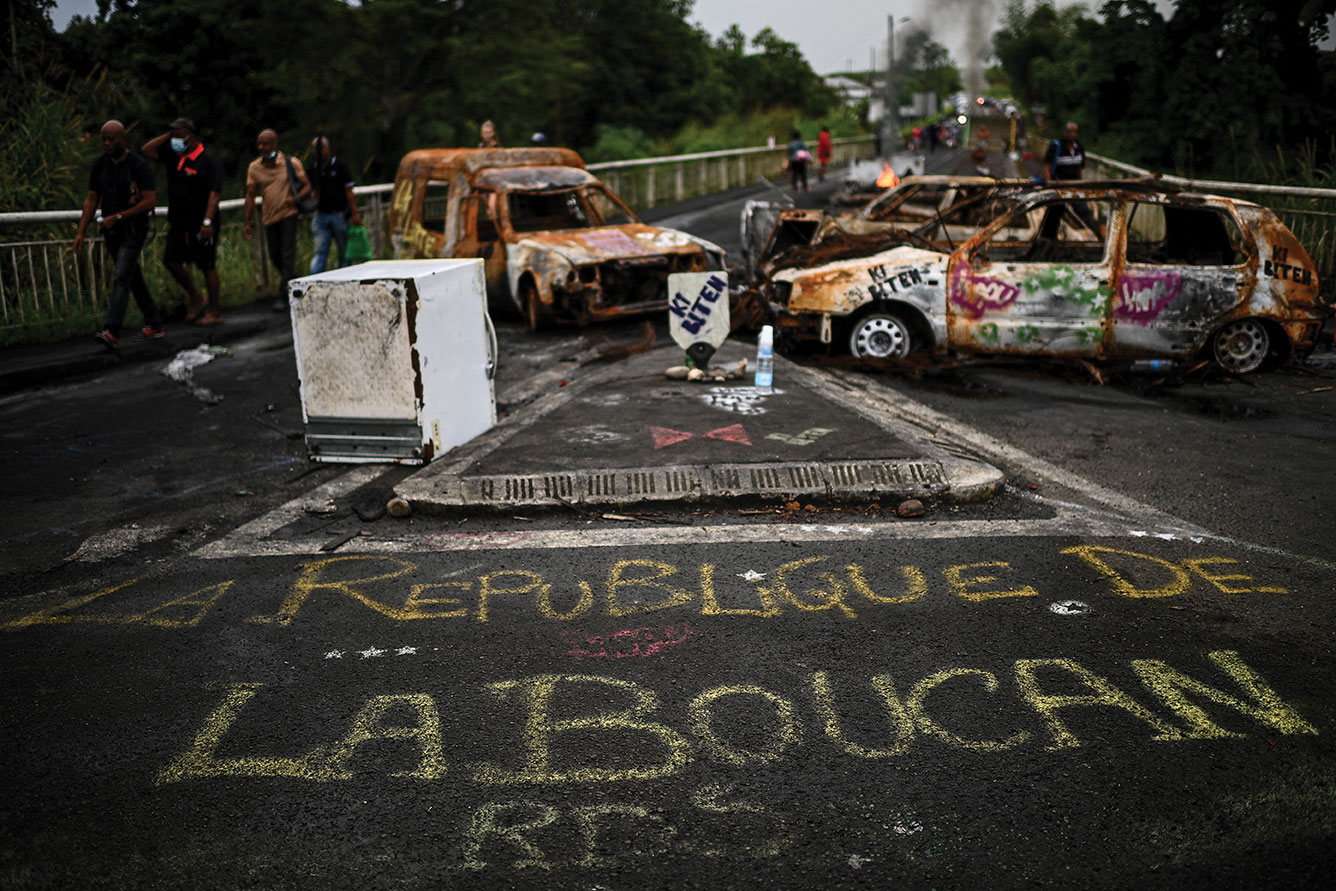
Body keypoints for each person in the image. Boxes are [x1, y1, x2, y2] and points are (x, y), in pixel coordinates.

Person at [73, 120, 162, 349]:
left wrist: (120, 216)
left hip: (132, 229)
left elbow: (150, 200)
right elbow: (92, 199)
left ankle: (112, 330)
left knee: (122, 275)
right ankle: (154, 321)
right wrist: (81, 231)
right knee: (131, 275)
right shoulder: (100, 165)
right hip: (111, 231)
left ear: (123, 139)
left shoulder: (137, 166)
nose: (106, 143)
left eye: (111, 139)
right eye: (104, 138)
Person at [142, 118, 223, 325]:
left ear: (191, 135)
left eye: (179, 135)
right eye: (173, 135)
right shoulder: (174, 156)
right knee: (171, 260)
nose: (175, 139)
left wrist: (207, 222)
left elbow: (214, 194)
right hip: (179, 222)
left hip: (201, 222)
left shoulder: (207, 160)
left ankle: (214, 311)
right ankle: (196, 297)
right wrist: (169, 135)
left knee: (207, 265)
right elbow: (147, 149)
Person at [243, 129, 312, 312]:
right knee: (275, 255)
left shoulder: (290, 163)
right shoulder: (254, 168)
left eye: (265, 143)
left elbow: (307, 185)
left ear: (274, 144)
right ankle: (297, 282)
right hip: (269, 217)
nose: (261, 147)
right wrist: (247, 222)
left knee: (287, 254)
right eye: (259, 143)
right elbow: (250, 196)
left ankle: (284, 296)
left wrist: (295, 199)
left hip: (288, 213)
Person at [306, 136, 362, 274]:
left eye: (322, 149)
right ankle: (315, 278)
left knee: (343, 250)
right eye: (316, 149)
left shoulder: (340, 166)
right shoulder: (313, 169)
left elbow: (349, 191)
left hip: (339, 214)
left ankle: (345, 276)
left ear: (328, 149)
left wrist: (354, 213)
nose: (319, 152)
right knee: (320, 249)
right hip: (321, 214)